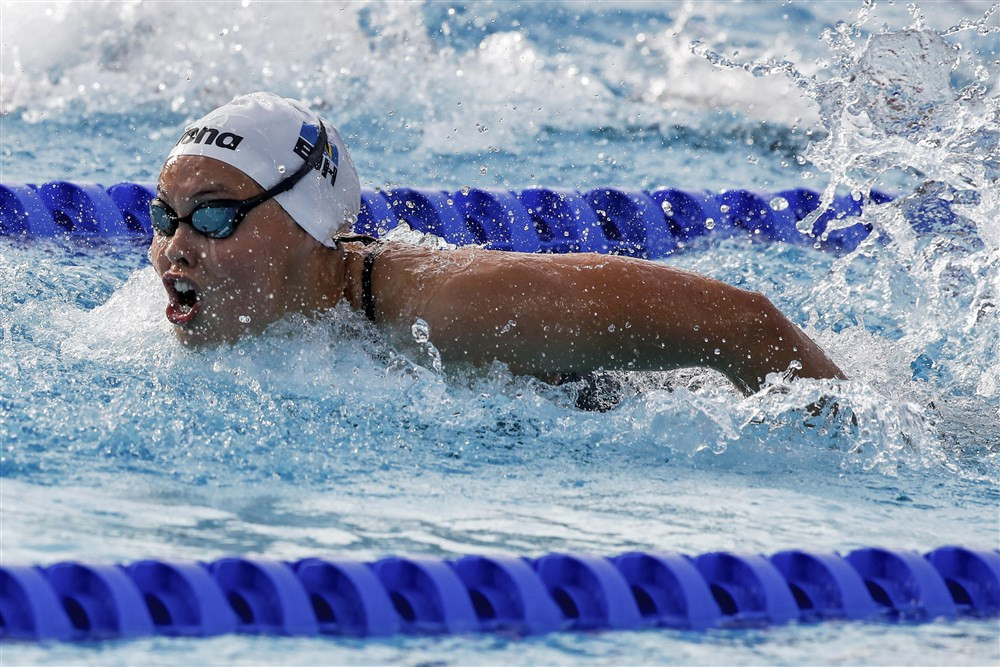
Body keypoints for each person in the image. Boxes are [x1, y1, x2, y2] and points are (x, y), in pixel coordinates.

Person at [150, 92, 845, 397]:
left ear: (310, 223)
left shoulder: (454, 307)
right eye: (164, 217)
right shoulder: (206, 312)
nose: (175, 247)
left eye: (214, 217)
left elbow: (742, 323)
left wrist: (836, 441)